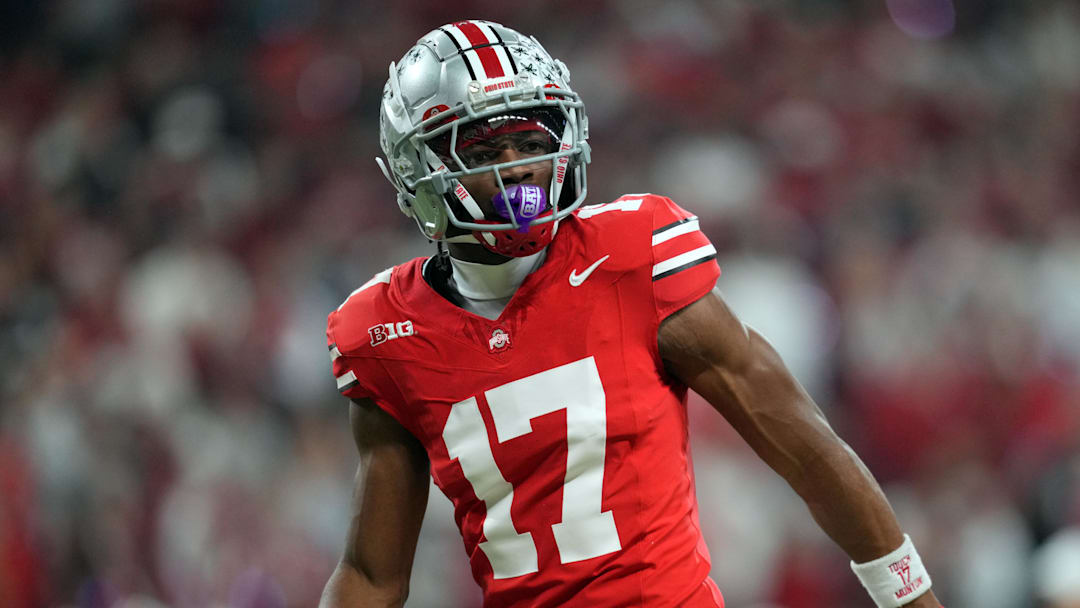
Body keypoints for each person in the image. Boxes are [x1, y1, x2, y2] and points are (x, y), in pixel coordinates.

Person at [320, 20, 943, 608]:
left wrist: (908, 594)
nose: (522, 167)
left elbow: (804, 445)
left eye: (533, 141)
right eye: (487, 146)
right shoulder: (384, 334)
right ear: (419, 167)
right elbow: (373, 575)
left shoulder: (631, 258)